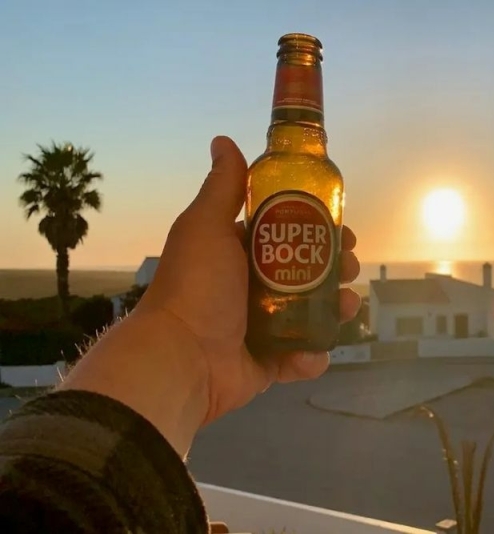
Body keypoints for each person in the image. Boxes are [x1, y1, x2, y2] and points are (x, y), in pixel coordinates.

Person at [0, 136, 362, 533]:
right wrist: (183, 333)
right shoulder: (276, 169)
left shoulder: (316, 171)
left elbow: (44, 493)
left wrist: (183, 338)